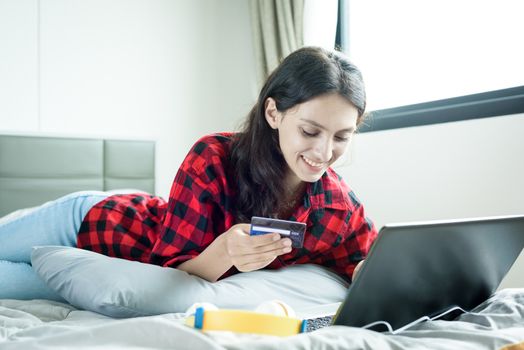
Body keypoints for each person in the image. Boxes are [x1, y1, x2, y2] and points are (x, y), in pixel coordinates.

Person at [0, 46, 377, 301]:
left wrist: (370, 276)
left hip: (94, 271)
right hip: (94, 222)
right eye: (310, 132)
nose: (324, 153)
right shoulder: (213, 157)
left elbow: (366, 262)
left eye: (341, 137)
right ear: (273, 113)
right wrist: (226, 250)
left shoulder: (337, 207)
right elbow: (172, 267)